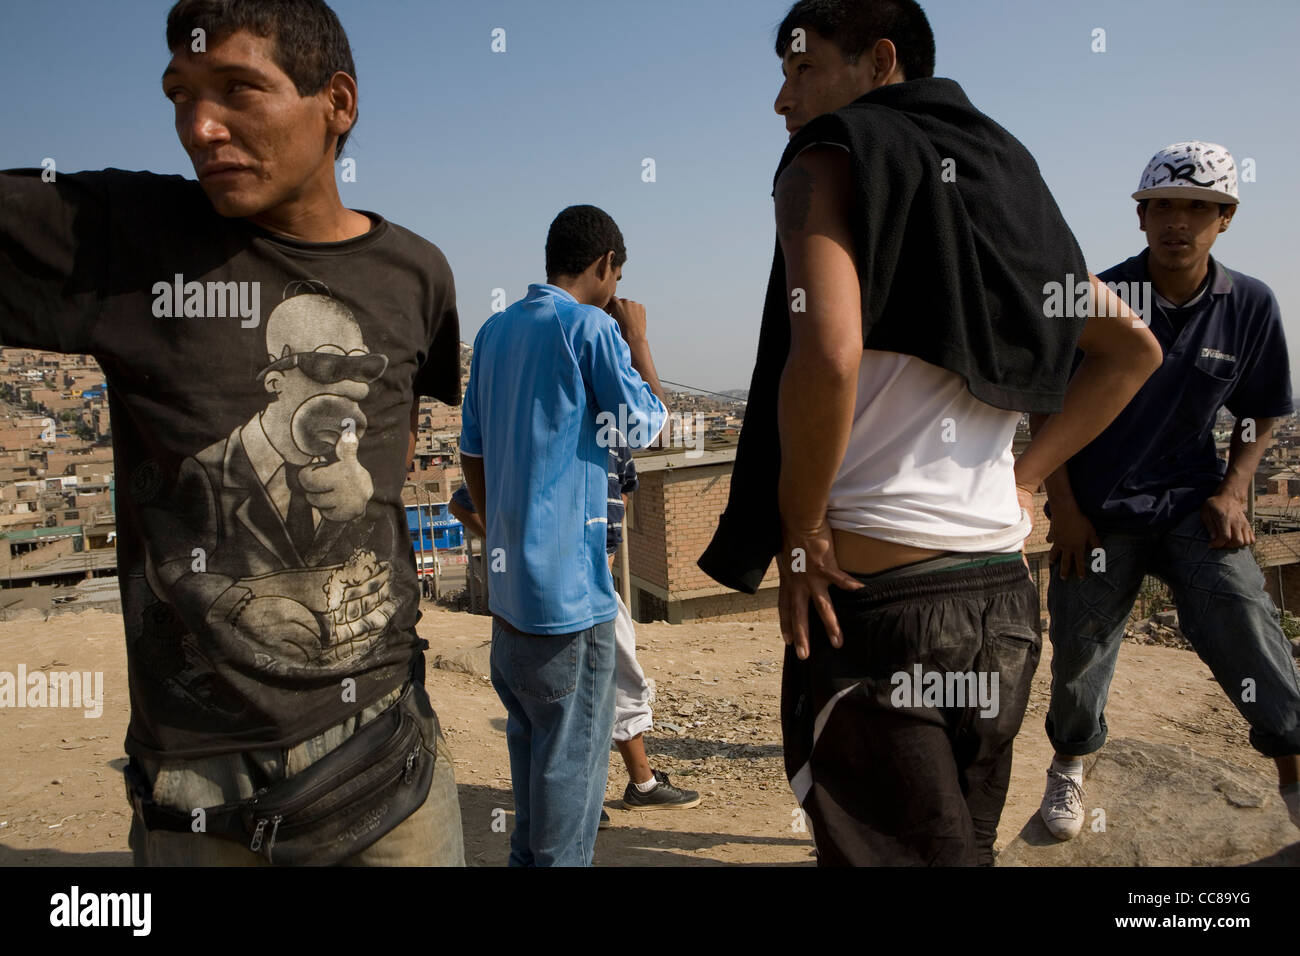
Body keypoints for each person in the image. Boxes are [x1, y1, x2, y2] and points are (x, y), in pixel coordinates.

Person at [697, 0, 1162, 865]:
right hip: (1002, 609)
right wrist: (1025, 480)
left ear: (879, 63)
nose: (782, 100)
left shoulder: (829, 158)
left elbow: (828, 355)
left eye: (801, 70)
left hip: (882, 617)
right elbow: (1133, 348)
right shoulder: (1001, 180)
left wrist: (798, 529)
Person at [0, 0, 465, 865]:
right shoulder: (131, 243)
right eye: (181, 95)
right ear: (273, 377)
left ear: (338, 103)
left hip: (385, 757)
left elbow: (399, 459)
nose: (199, 127)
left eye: (238, 89)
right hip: (199, 788)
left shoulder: (418, 276)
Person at [1037, 141, 1300, 840]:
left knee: (1245, 613)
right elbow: (1045, 403)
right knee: (1081, 648)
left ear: (1226, 218)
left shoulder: (1248, 304)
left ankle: (1293, 766)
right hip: (1098, 509)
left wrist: (1236, 488)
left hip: (1191, 501)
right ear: (1141, 215)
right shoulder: (1098, 295)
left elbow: (1265, 406)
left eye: (1198, 208)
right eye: (1162, 206)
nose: (1177, 221)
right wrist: (1063, 508)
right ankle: (1070, 761)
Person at [459, 205, 669, 866]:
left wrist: (501, 530)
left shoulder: (495, 332)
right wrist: (636, 339)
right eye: (618, 274)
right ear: (605, 265)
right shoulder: (587, 328)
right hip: (570, 611)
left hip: (511, 606)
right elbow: (644, 426)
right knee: (566, 828)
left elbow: (471, 450)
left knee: (534, 813)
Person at [449, 438, 700, 831]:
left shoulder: (614, 440)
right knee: (568, 697)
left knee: (619, 683)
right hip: (554, 595)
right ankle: (576, 799)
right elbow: (463, 505)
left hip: (597, 590)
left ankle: (639, 784)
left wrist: (603, 555)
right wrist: (518, 553)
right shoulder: (541, 440)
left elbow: (627, 488)